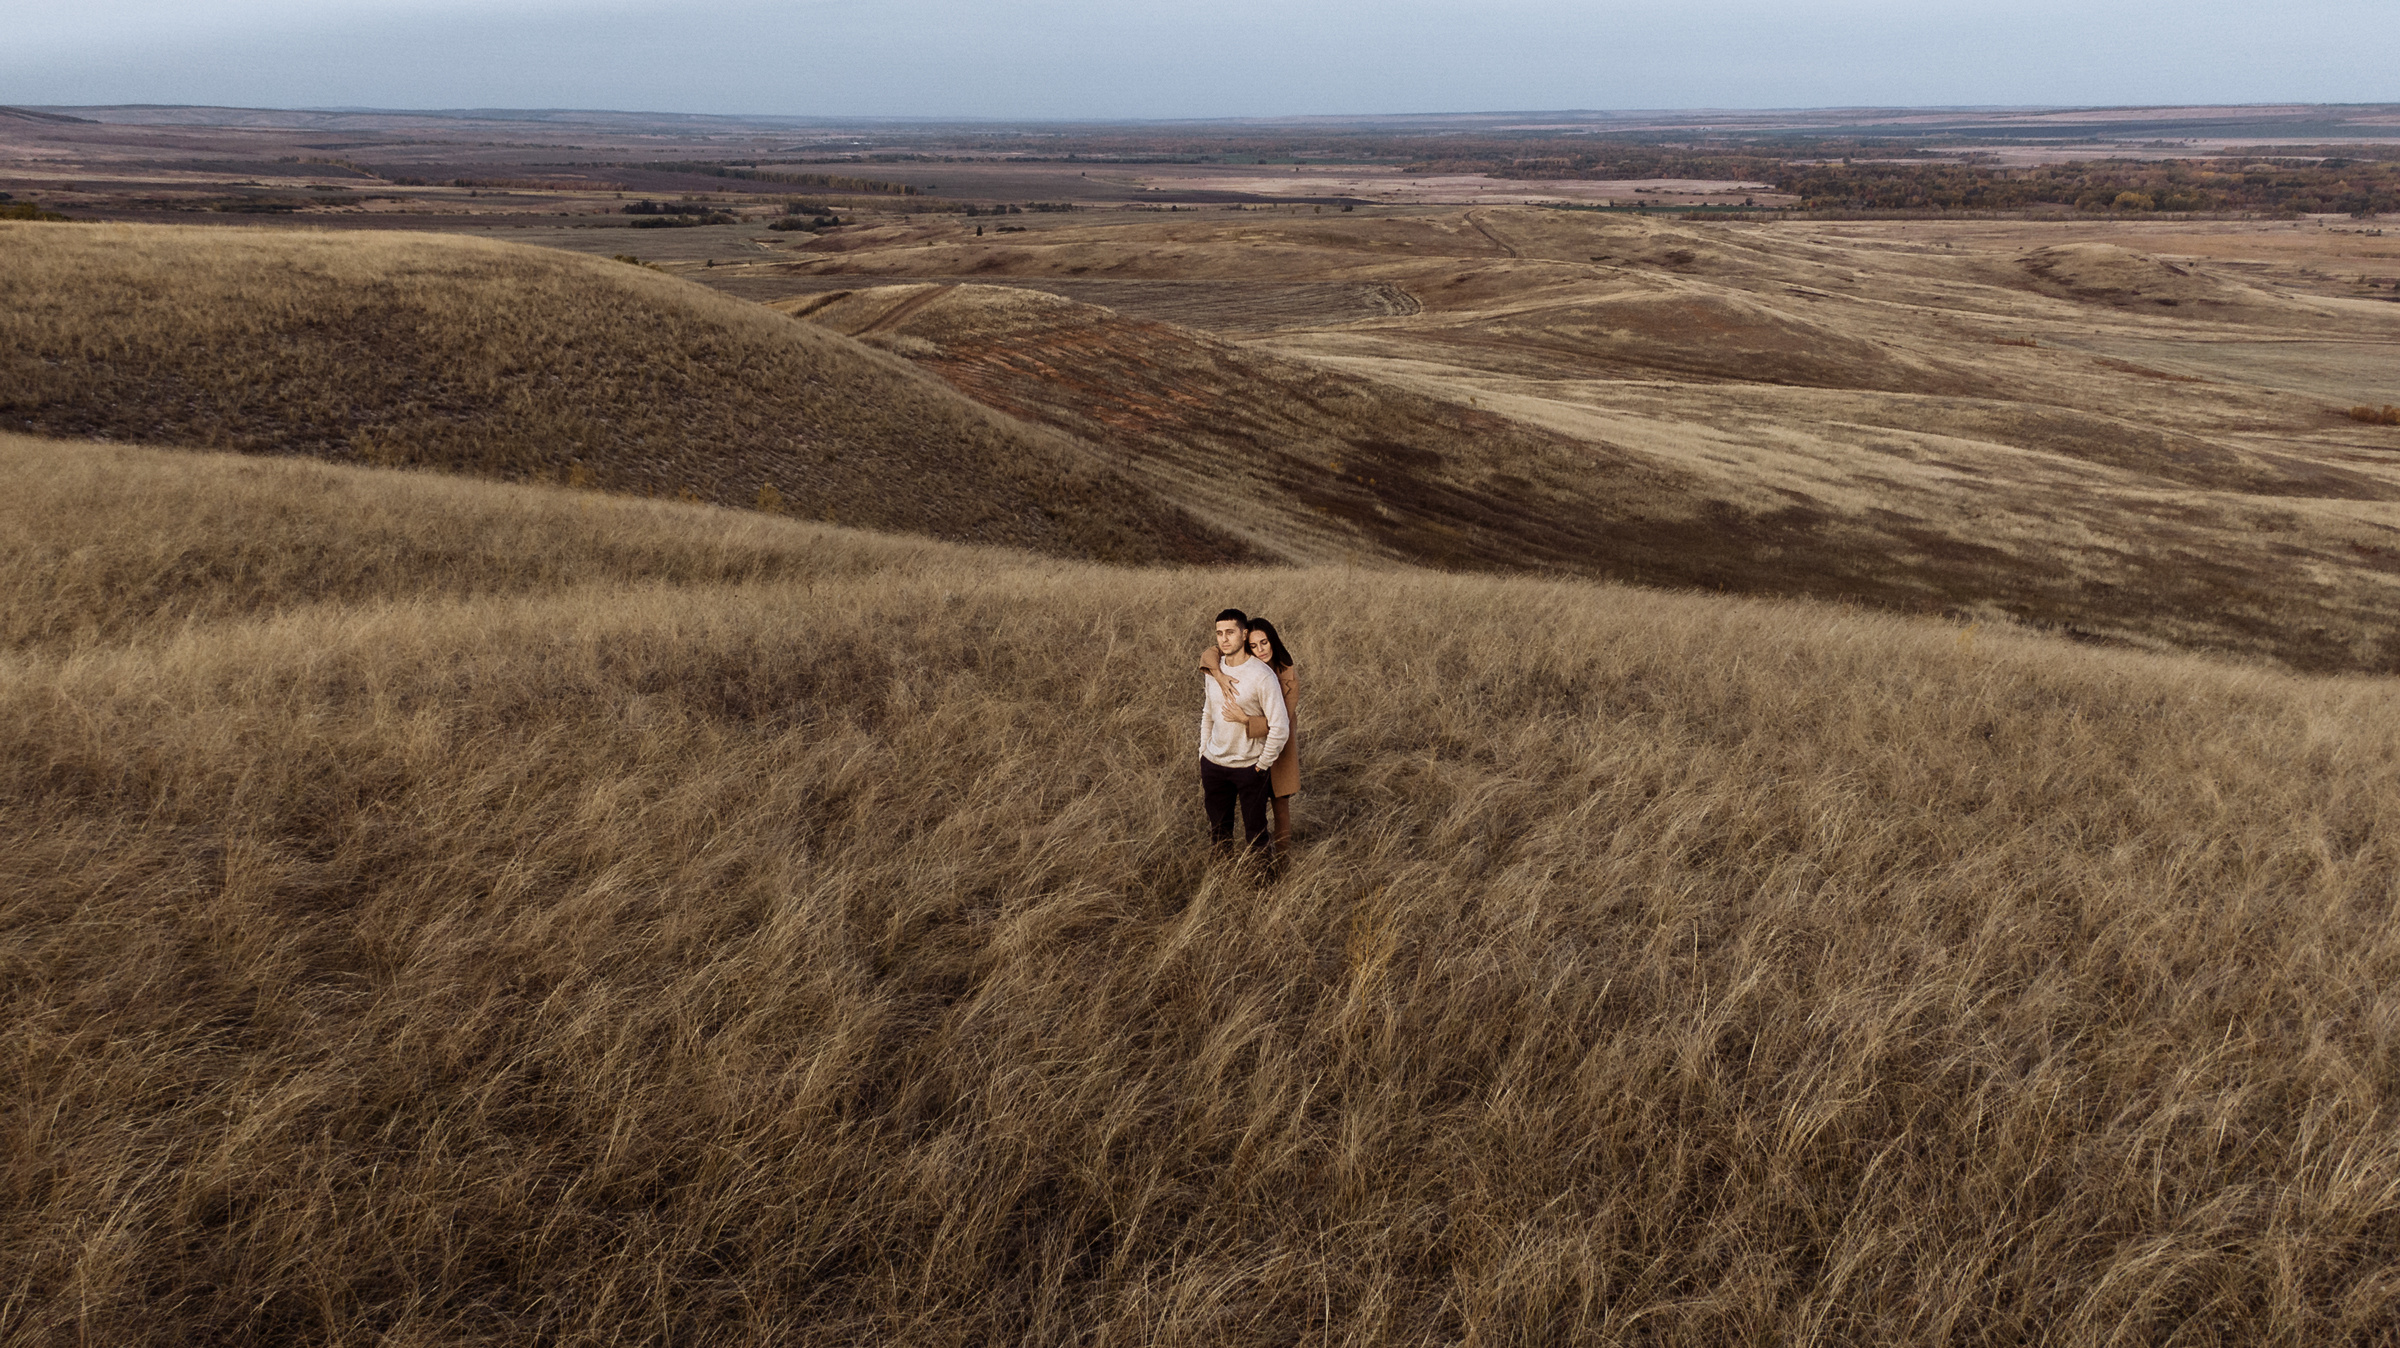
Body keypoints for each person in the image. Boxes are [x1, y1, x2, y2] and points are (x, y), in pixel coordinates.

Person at [1196, 608, 1289, 860]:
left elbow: (1280, 727)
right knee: (1218, 832)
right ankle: (1222, 880)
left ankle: (1262, 886)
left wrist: (1261, 765)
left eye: (1230, 632)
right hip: (1214, 765)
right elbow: (1208, 713)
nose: (1224, 639)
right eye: (1219, 633)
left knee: (1256, 835)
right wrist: (1203, 752)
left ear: (1244, 633)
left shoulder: (1262, 676)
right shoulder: (1213, 670)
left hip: (1250, 768)